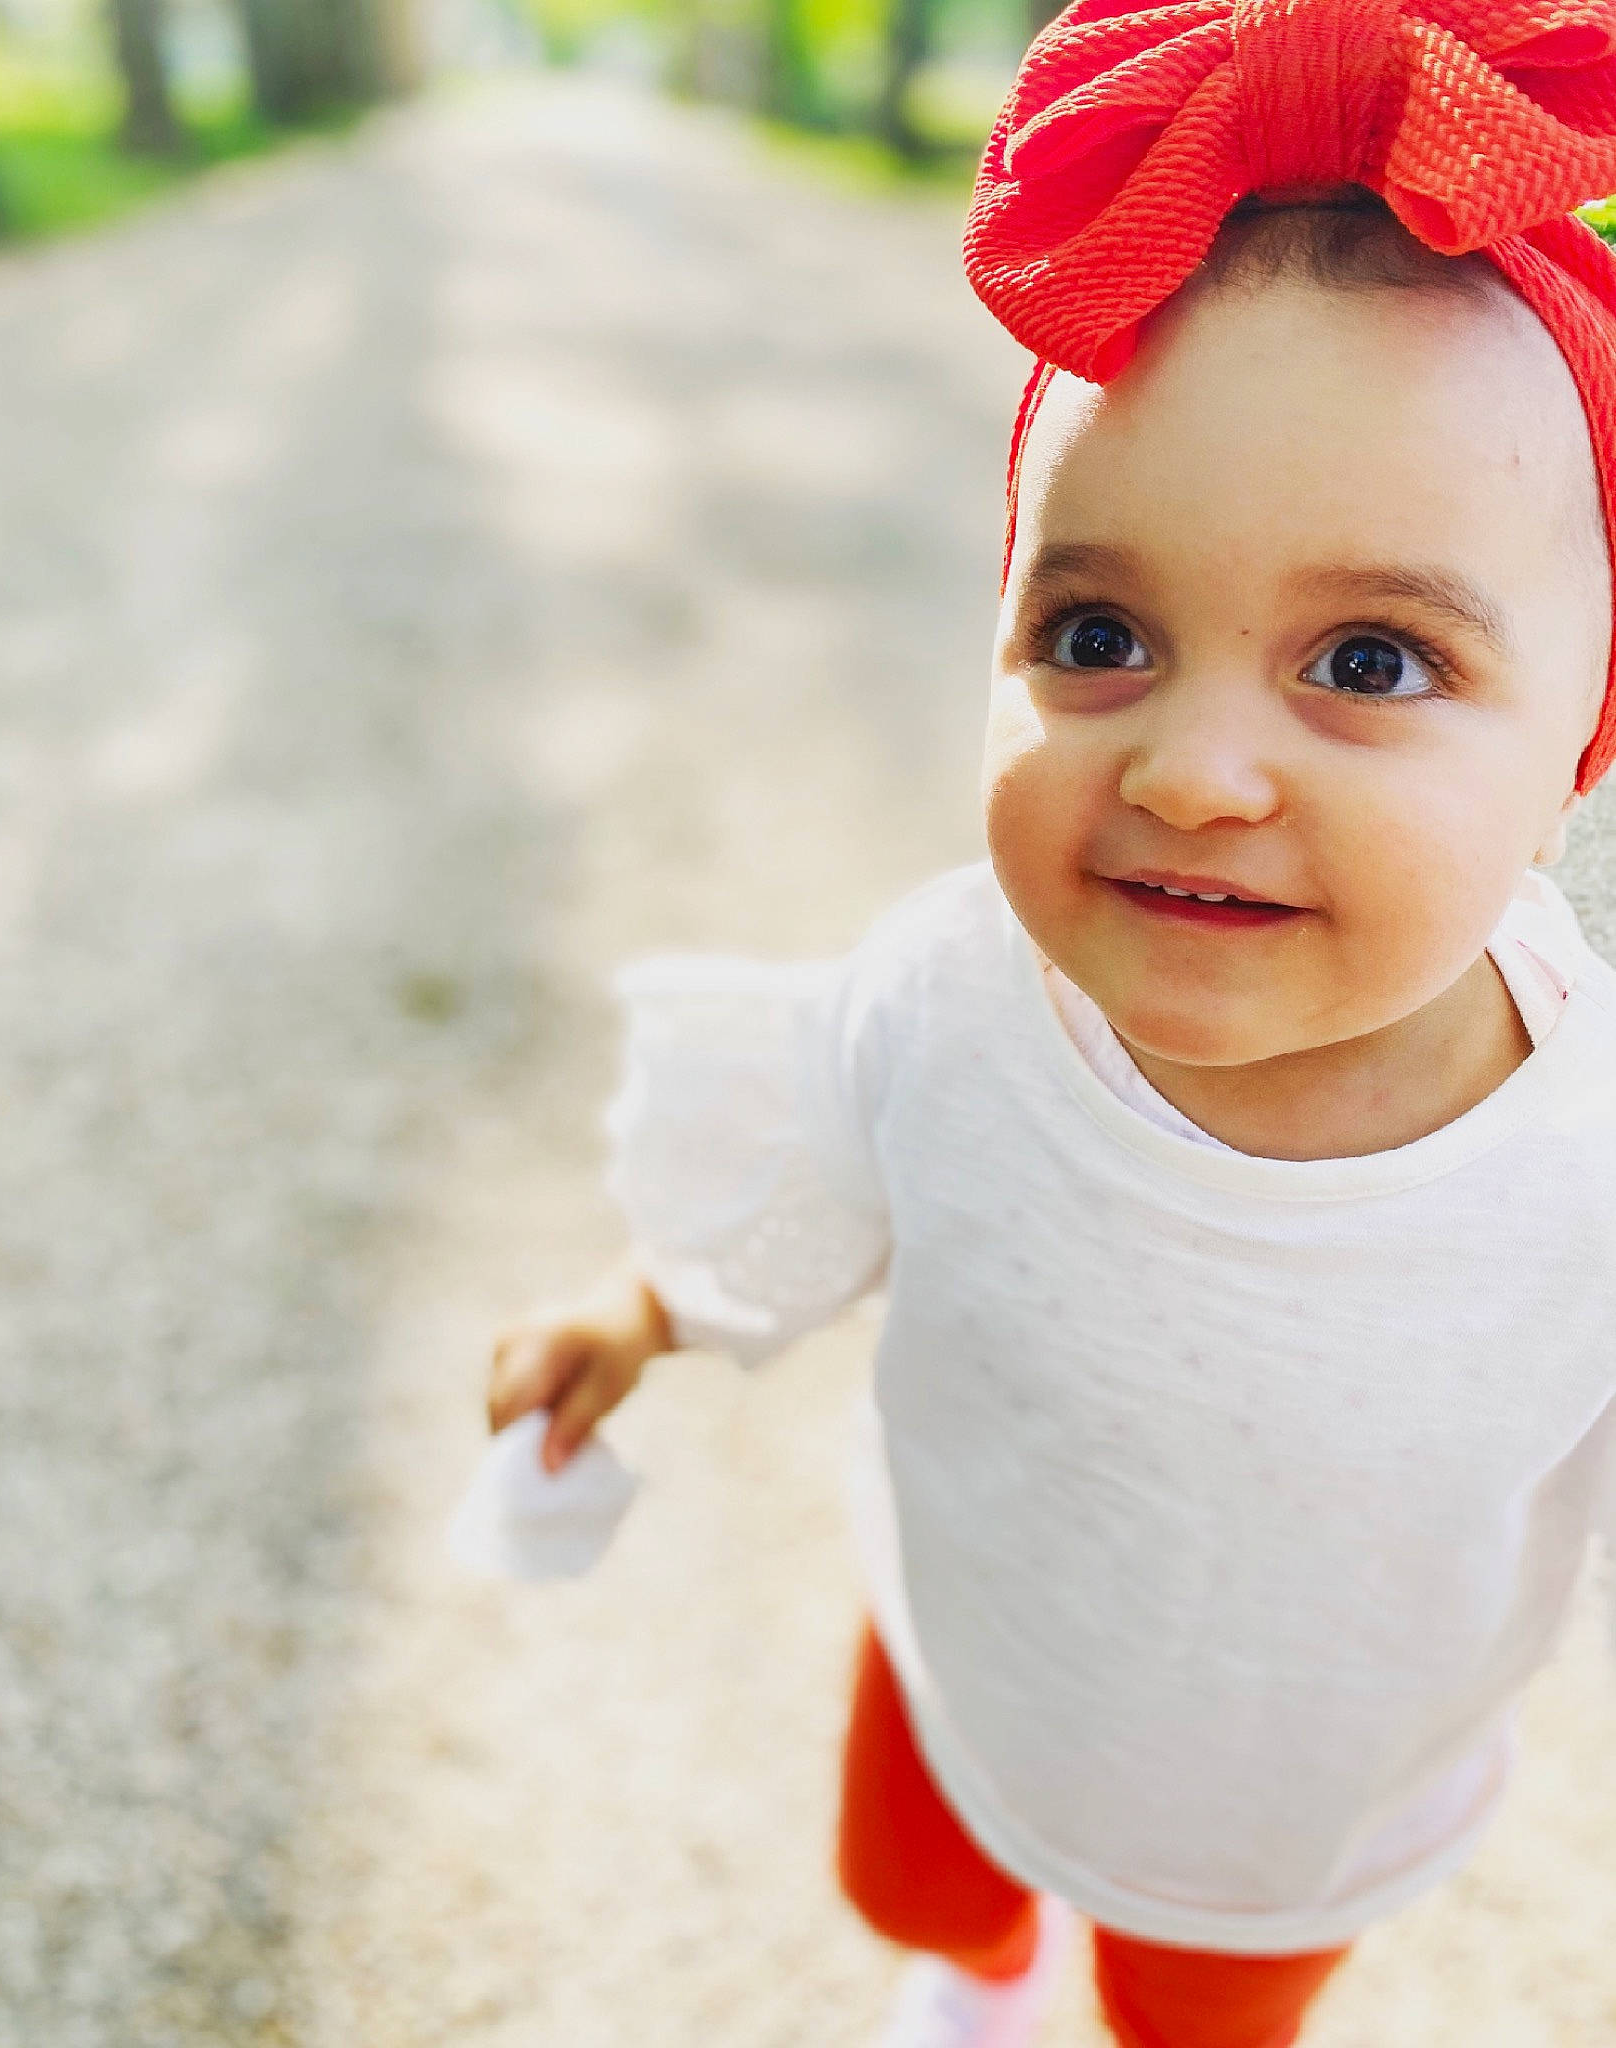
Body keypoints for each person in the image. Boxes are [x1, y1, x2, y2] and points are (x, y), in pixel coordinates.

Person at [487, 3, 1616, 2041]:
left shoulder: (1592, 1160)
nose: (1192, 770)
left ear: (1578, 750)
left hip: (1287, 1780)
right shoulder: (954, 991)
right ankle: (974, 1975)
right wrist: (642, 1306)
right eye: (1097, 635)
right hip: (988, 1634)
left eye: (1368, 656)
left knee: (1196, 2015)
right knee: (921, 1867)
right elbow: (814, 1152)